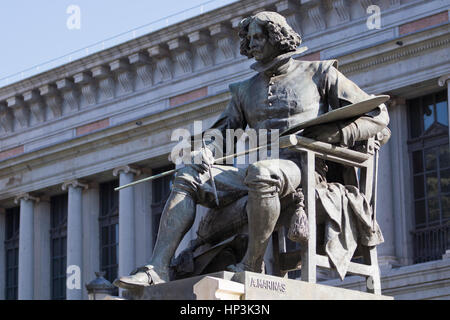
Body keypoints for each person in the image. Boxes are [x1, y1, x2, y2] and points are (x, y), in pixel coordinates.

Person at [114, 11, 389, 288]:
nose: (253, 43)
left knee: (260, 172)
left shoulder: (320, 73)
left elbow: (377, 114)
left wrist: (333, 134)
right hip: (255, 171)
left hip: (304, 169)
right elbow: (222, 134)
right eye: (250, 38)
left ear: (277, 38)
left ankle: (251, 263)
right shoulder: (244, 90)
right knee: (187, 176)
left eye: (259, 37)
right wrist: (207, 150)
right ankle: (157, 268)